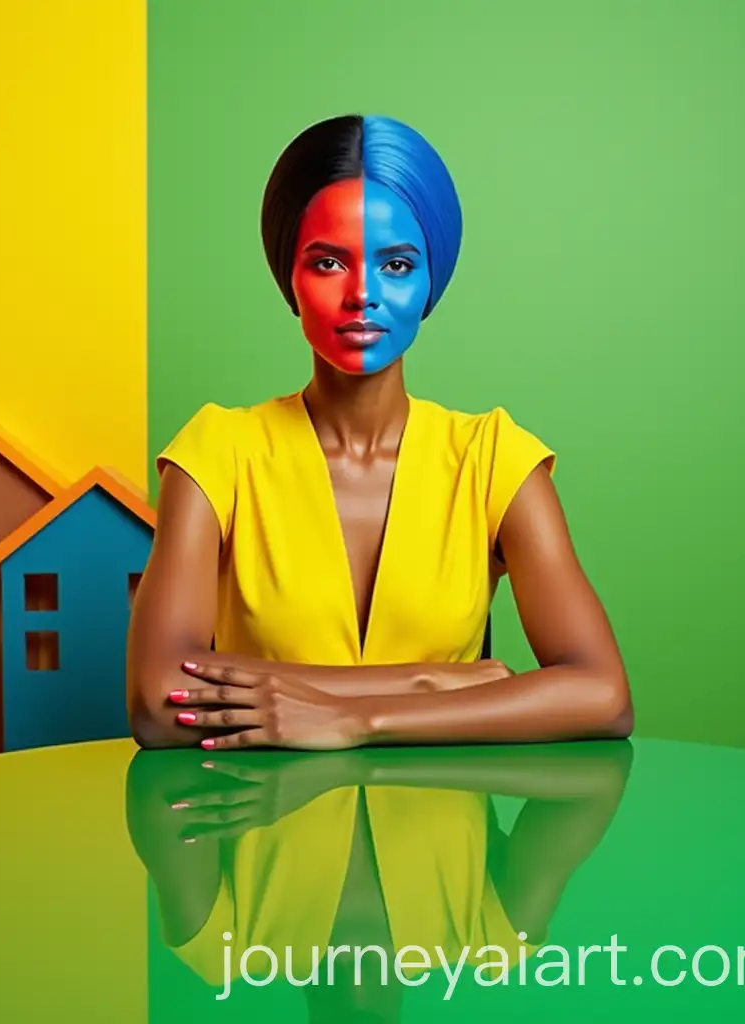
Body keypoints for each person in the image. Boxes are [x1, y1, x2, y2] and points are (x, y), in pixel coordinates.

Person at [127, 114, 632, 751]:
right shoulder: (218, 452)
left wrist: (356, 718)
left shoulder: (494, 459)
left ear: (430, 284)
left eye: (395, 264)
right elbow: (156, 700)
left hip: (448, 840)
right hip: (261, 833)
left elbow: (602, 693)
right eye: (329, 261)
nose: (363, 293)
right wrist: (431, 683)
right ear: (291, 278)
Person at [125, 743, 634, 1016]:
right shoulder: (493, 935)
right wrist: (374, 755)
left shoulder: (219, 946)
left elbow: (163, 782)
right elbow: (595, 785)